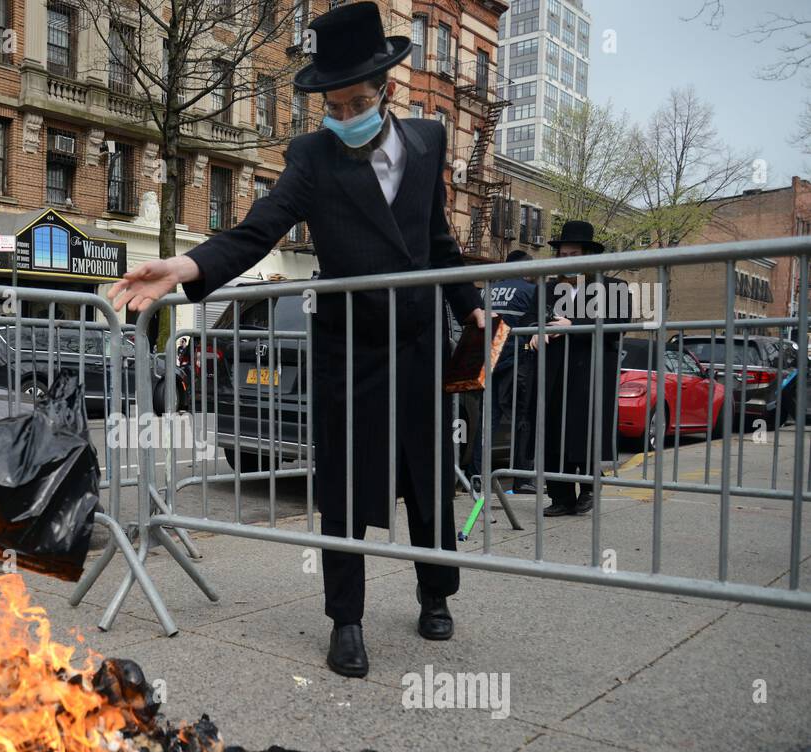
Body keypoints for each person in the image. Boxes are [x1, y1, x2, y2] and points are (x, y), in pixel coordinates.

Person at [108, 2, 488, 679]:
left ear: (388, 91)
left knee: (429, 480)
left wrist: (475, 309)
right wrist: (184, 266)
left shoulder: (428, 144)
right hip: (348, 348)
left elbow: (438, 241)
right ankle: (346, 620)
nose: (344, 117)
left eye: (356, 103)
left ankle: (437, 594)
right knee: (342, 488)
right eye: (332, 107)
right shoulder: (311, 158)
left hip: (420, 342)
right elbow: (260, 228)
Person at [528, 220, 629, 516]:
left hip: (589, 374)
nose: (568, 261)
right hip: (553, 372)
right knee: (552, 433)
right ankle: (560, 496)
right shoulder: (548, 288)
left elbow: (617, 324)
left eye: (574, 255)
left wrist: (574, 324)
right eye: (563, 255)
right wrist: (536, 330)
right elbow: (528, 319)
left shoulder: (612, 287)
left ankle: (587, 490)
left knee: (582, 433)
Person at [472, 250, 539, 493]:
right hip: (517, 361)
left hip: (488, 361)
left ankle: (478, 476)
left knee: (486, 421)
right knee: (522, 419)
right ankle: (521, 478)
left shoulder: (485, 290)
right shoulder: (530, 291)